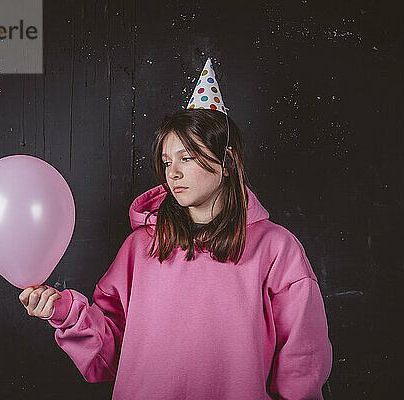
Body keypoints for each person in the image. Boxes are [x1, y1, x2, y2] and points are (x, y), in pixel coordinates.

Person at [19, 58, 332, 399]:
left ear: (225, 162)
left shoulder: (276, 248)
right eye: (167, 161)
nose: (174, 172)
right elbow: (106, 354)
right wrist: (63, 312)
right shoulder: (141, 247)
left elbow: (302, 358)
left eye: (187, 157)